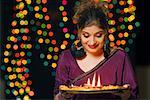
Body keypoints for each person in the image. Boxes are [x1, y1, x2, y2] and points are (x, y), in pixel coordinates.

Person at [54, 0, 139, 99]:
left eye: (98, 35)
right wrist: (63, 96)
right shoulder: (67, 57)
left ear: (106, 32)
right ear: (79, 33)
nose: (92, 42)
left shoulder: (119, 57)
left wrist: (127, 95)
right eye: (86, 36)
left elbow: (134, 96)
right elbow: (57, 96)